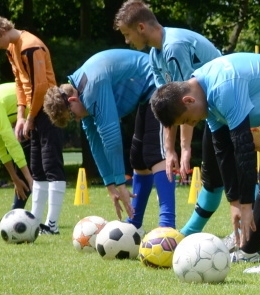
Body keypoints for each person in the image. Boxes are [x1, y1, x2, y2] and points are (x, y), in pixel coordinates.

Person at [150, 53, 260, 269]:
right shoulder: (205, 93)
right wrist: (235, 203)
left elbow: (243, 147)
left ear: (188, 100)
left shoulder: (222, 88)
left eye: (187, 119)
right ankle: (249, 251)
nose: (192, 124)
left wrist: (246, 204)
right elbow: (222, 148)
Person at [112, 0, 222, 234]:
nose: (127, 41)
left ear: (141, 27)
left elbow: (185, 102)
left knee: (227, 172)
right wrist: (170, 150)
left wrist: (184, 148)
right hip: (210, 113)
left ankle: (243, 232)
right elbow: (168, 106)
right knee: (214, 178)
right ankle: (183, 234)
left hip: (225, 107)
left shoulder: (174, 47)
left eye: (127, 34)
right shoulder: (155, 55)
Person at [41, 48, 171, 224]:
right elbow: (95, 142)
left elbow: (111, 138)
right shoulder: (80, 91)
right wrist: (111, 186)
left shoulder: (91, 87)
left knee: (154, 154)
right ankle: (134, 222)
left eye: (72, 116)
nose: (77, 119)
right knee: (138, 159)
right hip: (145, 95)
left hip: (158, 85)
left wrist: (120, 183)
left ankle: (167, 224)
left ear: (72, 101)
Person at [0, 16, 66, 233]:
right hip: (34, 112)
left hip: (49, 109)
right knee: (37, 167)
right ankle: (34, 221)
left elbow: (40, 86)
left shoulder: (30, 46)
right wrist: (22, 115)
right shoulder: (11, 49)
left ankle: (52, 225)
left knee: (51, 165)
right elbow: (20, 83)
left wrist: (31, 117)